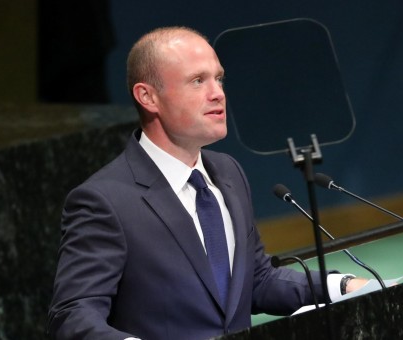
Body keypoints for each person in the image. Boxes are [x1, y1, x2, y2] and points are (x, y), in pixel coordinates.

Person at [48, 26, 367, 340]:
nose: (218, 93)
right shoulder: (105, 200)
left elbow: (256, 280)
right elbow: (73, 315)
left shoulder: (228, 173)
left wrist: (341, 286)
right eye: (197, 81)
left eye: (219, 78)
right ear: (148, 97)